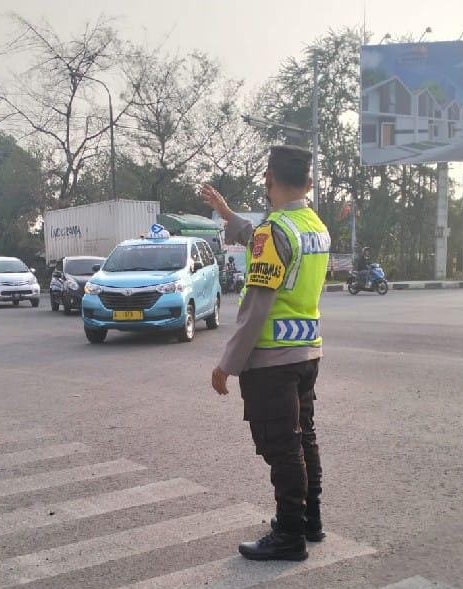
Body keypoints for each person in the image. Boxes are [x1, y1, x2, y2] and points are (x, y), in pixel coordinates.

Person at [199, 145, 330, 562]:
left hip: (272, 359)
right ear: (308, 183)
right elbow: (258, 238)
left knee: (282, 447)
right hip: (306, 354)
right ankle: (309, 521)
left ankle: (289, 535)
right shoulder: (313, 226)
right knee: (303, 438)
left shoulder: (276, 231)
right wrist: (226, 213)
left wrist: (227, 364)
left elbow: (256, 306)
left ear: (269, 178)